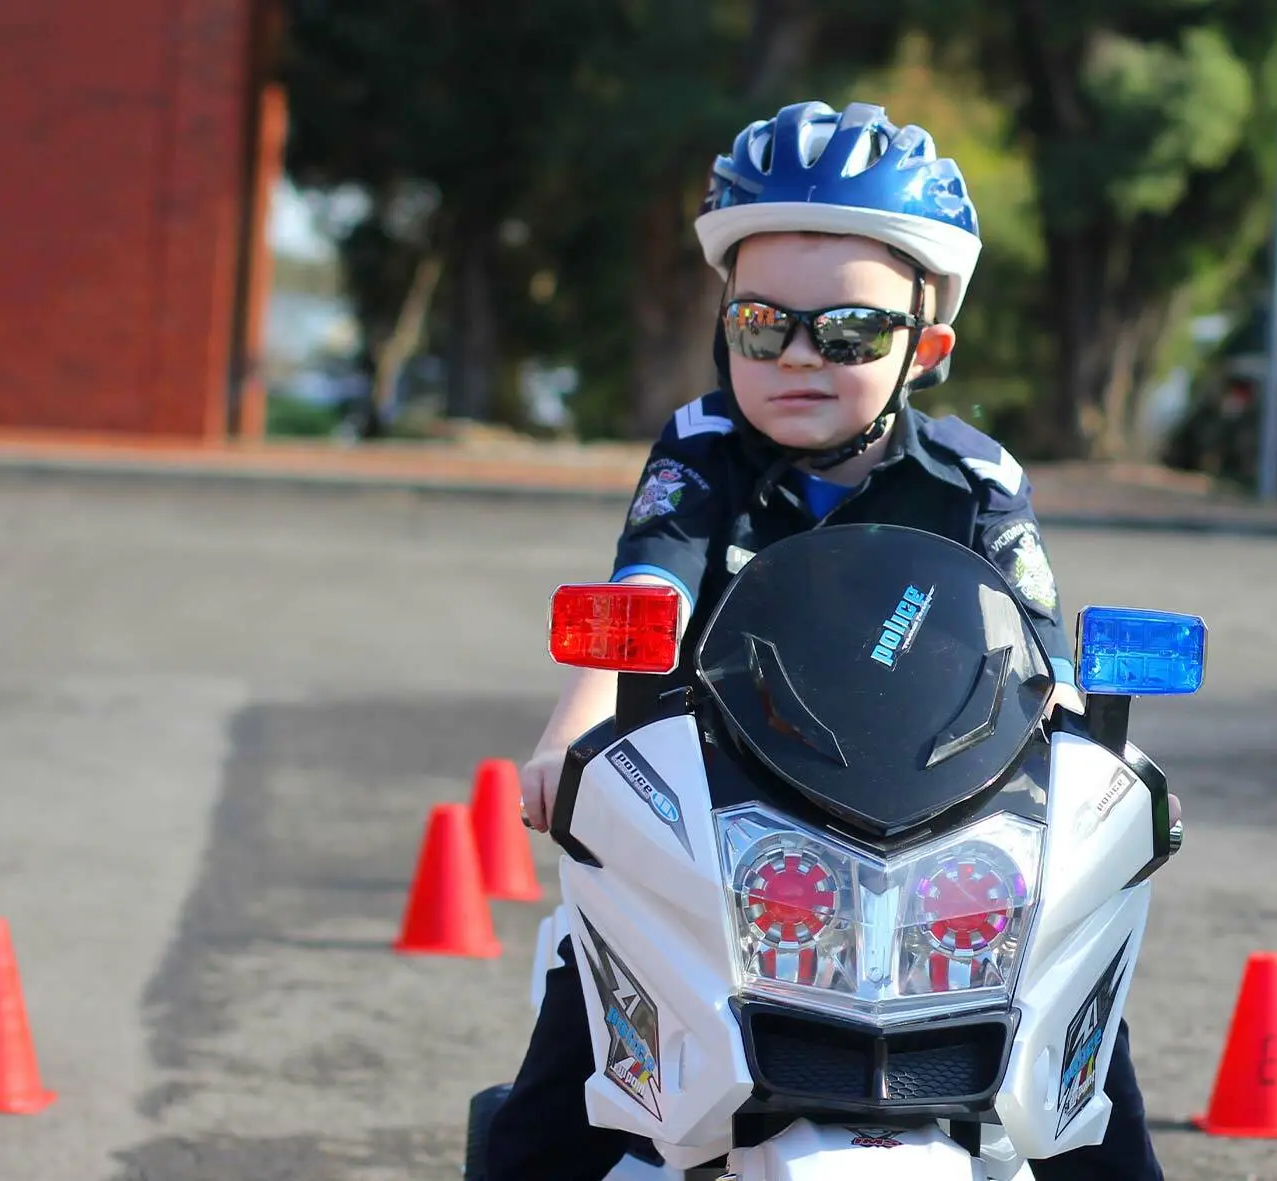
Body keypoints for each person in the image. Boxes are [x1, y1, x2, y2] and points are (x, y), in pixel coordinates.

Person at [485, 99, 1165, 1181]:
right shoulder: (700, 450)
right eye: (764, 325)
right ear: (727, 329)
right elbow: (646, 582)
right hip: (718, 834)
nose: (799, 356)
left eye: (848, 332)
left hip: (942, 834)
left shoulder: (978, 479)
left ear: (925, 348)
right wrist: (575, 725)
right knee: (578, 1054)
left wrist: (1101, 777)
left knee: (1083, 1060)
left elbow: (1034, 650)